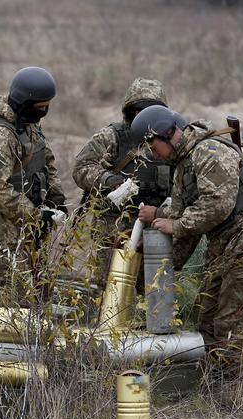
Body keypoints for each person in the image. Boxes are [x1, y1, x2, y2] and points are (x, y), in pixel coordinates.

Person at [131, 104, 243, 401]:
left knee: (233, 326)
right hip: (226, 246)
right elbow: (182, 233)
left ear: (167, 133)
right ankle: (213, 394)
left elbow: (217, 206)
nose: (153, 154)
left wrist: (176, 225)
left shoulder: (209, 152)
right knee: (207, 318)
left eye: (152, 146)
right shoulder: (184, 168)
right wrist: (151, 275)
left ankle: (233, 400)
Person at [72, 78, 172, 289]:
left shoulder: (169, 138)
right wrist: (111, 181)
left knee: (154, 292)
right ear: (130, 111)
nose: (144, 116)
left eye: (151, 111)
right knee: (111, 290)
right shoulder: (112, 136)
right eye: (139, 110)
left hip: (156, 228)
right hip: (113, 229)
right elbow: (81, 169)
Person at [0, 66, 68, 294]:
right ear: (23, 103)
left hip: (33, 226)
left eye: (47, 105)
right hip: (10, 233)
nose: (45, 111)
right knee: (19, 300)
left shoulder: (30, 125)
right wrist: (37, 216)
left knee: (42, 293)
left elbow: (46, 163)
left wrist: (56, 199)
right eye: (40, 107)